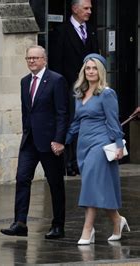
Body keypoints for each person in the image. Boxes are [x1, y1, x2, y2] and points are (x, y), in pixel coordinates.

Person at [0, 45, 69, 239]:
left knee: (55, 184)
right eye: (28, 58)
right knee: (22, 179)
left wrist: (59, 140)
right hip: (29, 141)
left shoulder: (56, 80)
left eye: (35, 58)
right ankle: (20, 223)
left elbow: (63, 113)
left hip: (50, 142)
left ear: (44, 60)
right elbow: (26, 111)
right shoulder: (24, 82)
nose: (31, 61)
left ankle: (58, 225)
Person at [65, 54, 129, 245]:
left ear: (100, 71)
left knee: (90, 185)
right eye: (87, 68)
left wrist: (119, 145)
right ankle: (117, 220)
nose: (90, 71)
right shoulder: (80, 93)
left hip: (100, 144)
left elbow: (113, 121)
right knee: (98, 187)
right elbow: (76, 123)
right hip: (83, 145)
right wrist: (63, 141)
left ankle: (88, 229)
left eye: (94, 68)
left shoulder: (107, 93)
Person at [49, 0, 99, 176]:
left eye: (90, 8)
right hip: (69, 87)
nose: (89, 11)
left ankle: (81, 161)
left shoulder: (92, 31)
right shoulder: (61, 31)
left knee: (87, 122)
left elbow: (97, 59)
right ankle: (68, 162)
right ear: (74, 9)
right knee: (71, 122)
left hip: (90, 86)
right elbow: (56, 62)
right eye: (86, 8)